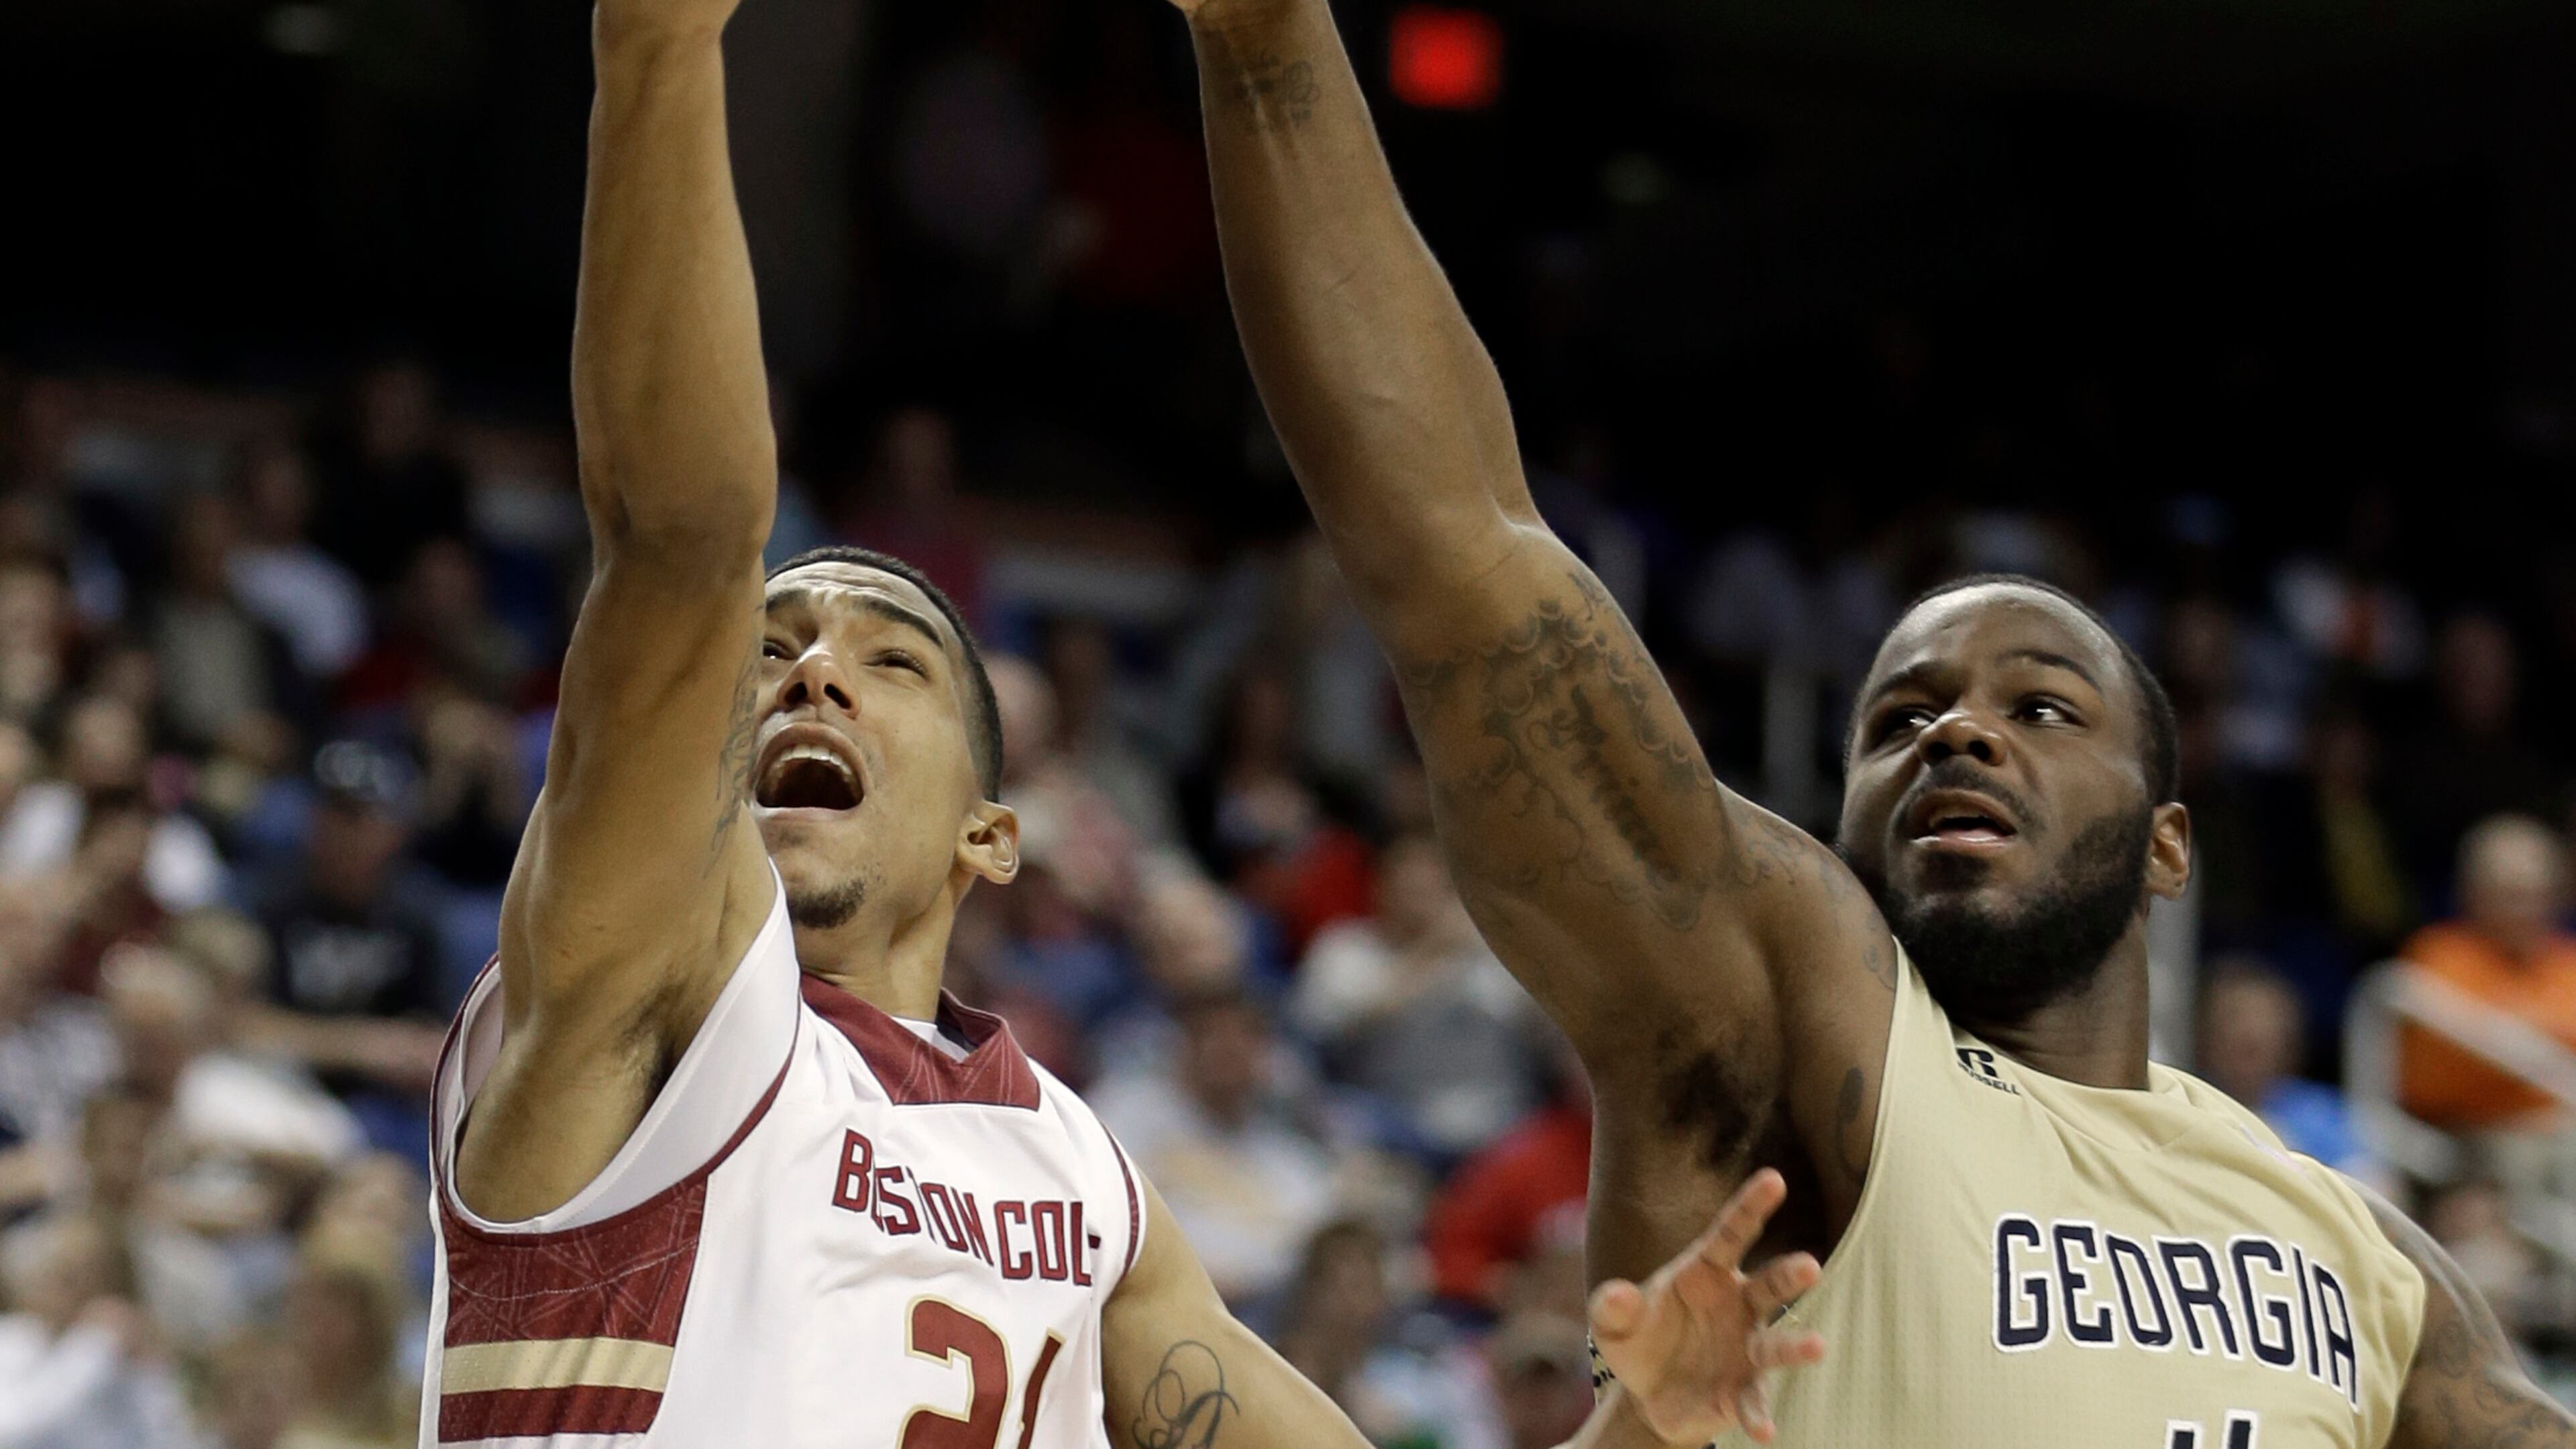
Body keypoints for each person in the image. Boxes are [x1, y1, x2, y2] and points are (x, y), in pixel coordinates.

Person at [414, 1, 1825, 1445]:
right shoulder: (651, 991)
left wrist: (1641, 1424)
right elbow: (679, 545)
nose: (809, 675)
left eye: (888, 662)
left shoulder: (1076, 1178)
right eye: (771, 653)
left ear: (992, 835)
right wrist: (657, 50)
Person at [1168, 0, 2576, 1438]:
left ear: (2167, 847)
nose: (1957, 737)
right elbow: (1456, 547)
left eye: (2039, 707)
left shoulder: (2357, 1251)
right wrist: (1266, 38)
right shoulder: (1800, 1022)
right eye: (1898, 721)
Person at [2398, 814, 2576, 1132]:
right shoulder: (2439, 956)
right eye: (2512, 895)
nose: (2527, 909)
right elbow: (2441, 1074)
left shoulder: (2568, 961)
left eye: (2539, 894)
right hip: (2476, 1138)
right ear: (2471, 892)